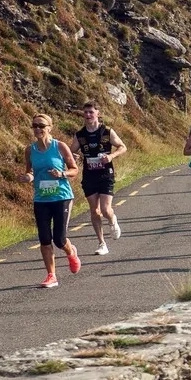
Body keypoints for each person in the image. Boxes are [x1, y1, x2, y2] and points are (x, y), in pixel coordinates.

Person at [22, 115, 80, 288]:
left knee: (59, 239)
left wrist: (62, 174)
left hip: (61, 197)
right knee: (44, 239)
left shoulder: (59, 147)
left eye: (41, 125)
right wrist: (28, 177)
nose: (37, 129)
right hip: (41, 198)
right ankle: (51, 275)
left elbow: (74, 170)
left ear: (50, 127)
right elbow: (30, 171)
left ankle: (71, 252)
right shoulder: (29, 150)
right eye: (34, 126)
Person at [72, 101, 126, 256]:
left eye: (91, 112)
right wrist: (73, 158)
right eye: (86, 113)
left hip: (105, 174)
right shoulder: (80, 135)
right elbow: (70, 153)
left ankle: (112, 220)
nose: (88, 115)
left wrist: (111, 156)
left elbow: (122, 147)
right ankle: (102, 243)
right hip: (89, 175)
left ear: (98, 113)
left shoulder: (106, 131)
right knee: (94, 211)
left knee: (105, 209)